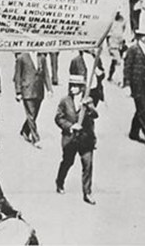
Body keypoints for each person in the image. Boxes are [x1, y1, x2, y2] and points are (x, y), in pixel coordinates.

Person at [55, 75, 99, 205]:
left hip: (86, 139)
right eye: (71, 86)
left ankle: (87, 193)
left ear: (81, 87)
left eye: (76, 86)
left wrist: (89, 107)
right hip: (70, 139)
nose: (73, 89)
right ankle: (59, 182)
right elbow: (58, 118)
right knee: (68, 162)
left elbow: (95, 115)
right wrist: (71, 126)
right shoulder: (65, 101)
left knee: (88, 165)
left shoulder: (88, 100)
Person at [14, 51, 52, 148]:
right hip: (27, 90)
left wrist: (49, 89)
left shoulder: (42, 57)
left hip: (39, 90)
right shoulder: (22, 57)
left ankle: (24, 130)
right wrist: (18, 92)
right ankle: (36, 139)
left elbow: (46, 74)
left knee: (34, 114)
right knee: (31, 114)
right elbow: (17, 75)